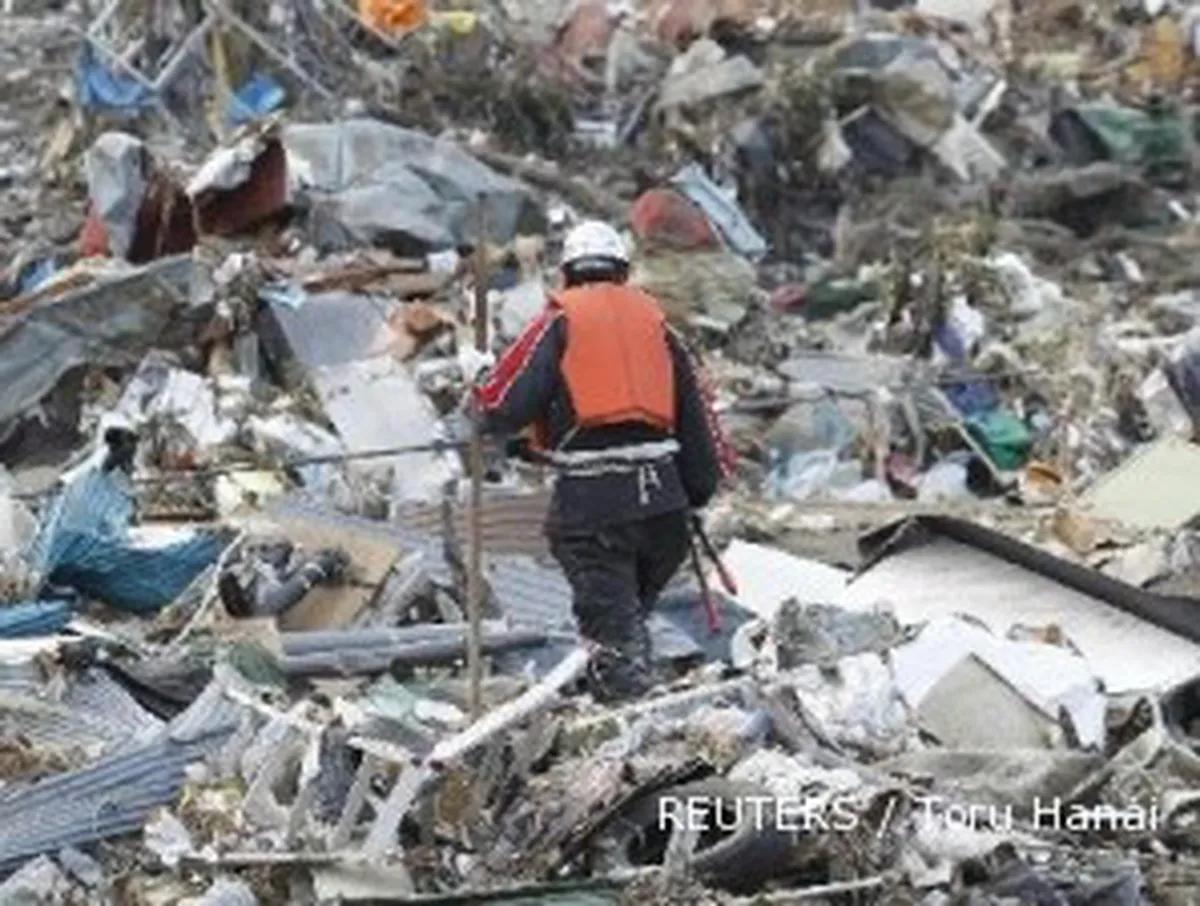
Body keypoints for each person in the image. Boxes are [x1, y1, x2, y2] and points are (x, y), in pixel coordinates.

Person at [459, 220, 735, 703]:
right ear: (622, 270)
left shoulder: (559, 321)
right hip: (664, 509)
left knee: (614, 638)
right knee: (628, 620)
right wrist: (692, 497)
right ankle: (639, 694)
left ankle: (632, 727)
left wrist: (478, 381)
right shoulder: (659, 328)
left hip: (594, 509)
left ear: (567, 272)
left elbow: (502, 407)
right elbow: (700, 429)